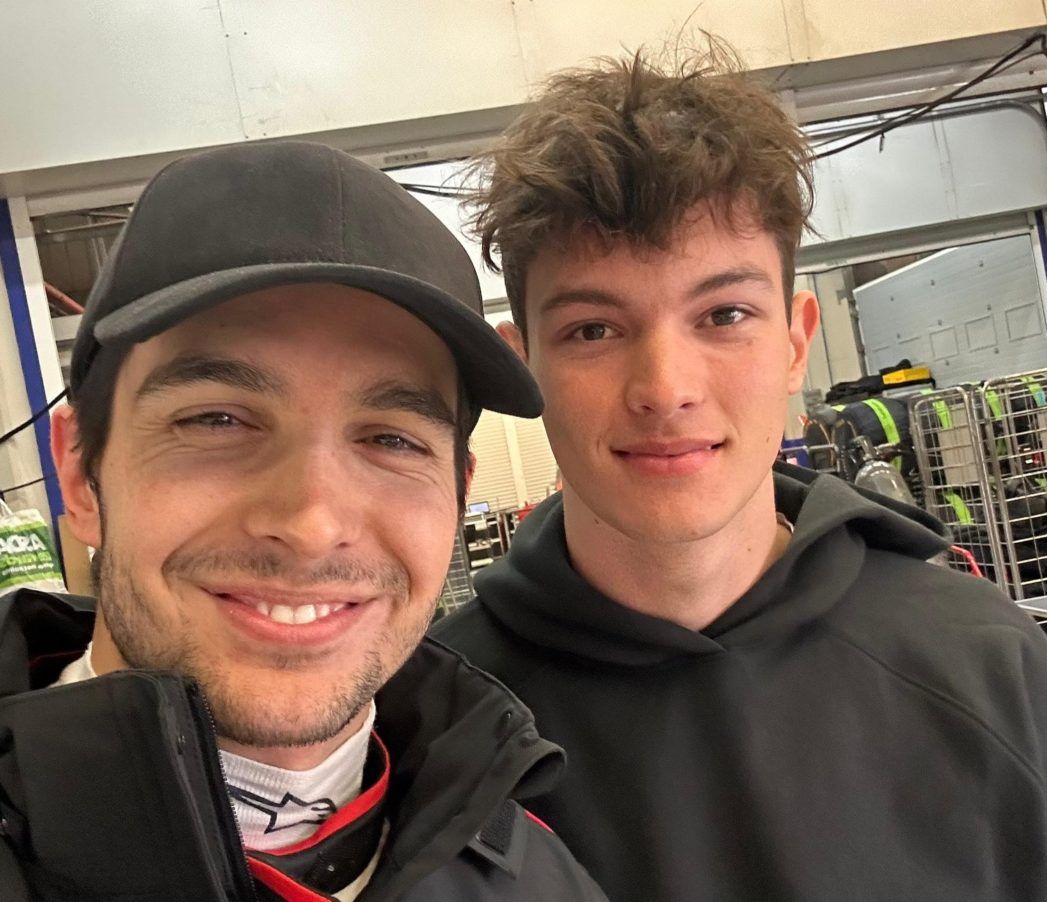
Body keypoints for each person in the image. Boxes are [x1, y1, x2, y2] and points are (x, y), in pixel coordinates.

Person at [432, 42, 1047, 902]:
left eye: (724, 314)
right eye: (593, 329)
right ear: (524, 366)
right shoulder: (435, 723)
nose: (666, 389)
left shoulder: (990, 670)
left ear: (796, 341)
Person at [0, 141, 608, 902]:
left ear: (456, 495)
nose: (312, 524)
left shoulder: (538, 880)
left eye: (392, 439)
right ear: (80, 475)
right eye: (217, 420)